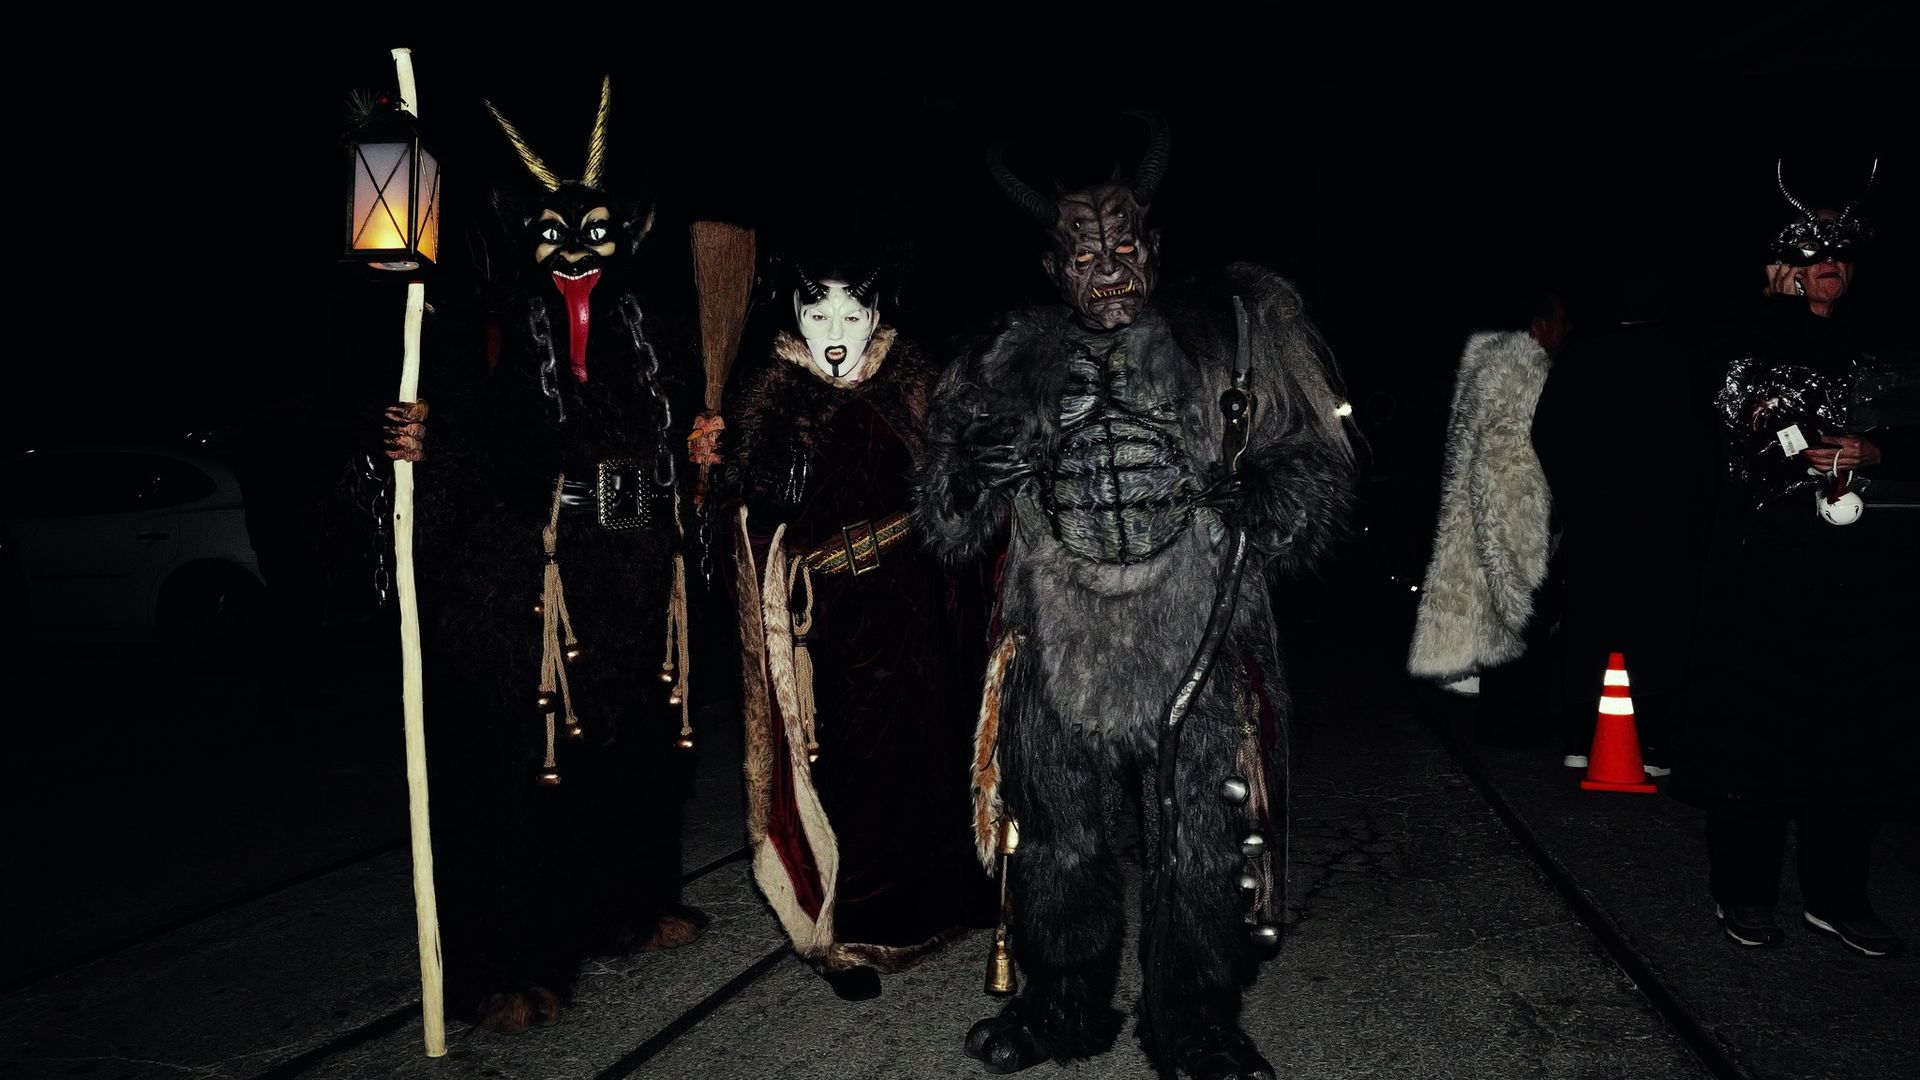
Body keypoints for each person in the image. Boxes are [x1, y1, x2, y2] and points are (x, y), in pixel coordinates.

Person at [916, 114, 1353, 1080]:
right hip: (1057, 641)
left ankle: (1194, 1020)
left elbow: (1310, 469)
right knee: (1056, 847)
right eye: (1085, 253)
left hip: (1193, 635)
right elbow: (946, 527)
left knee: (1200, 845)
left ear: (1153, 250)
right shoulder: (1003, 361)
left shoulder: (1227, 337)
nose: (1108, 268)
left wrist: (1269, 497)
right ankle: (1060, 1009)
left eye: (1125, 247)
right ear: (1052, 265)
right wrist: (974, 472)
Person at [399, 78, 705, 1032]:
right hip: (546, 579)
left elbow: (703, 418)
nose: (576, 247)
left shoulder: (664, 326)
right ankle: (520, 960)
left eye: (599, 228)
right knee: (531, 764)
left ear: (635, 229)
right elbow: (462, 441)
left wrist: (708, 439)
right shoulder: (488, 328)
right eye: (552, 229)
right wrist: (420, 438)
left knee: (642, 748)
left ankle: (625, 906)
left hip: (645, 568)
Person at [721, 260, 993, 1001]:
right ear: (793, 322)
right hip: (828, 618)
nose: (834, 336)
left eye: (851, 317)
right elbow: (747, 518)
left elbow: (957, 490)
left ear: (879, 318)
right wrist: (743, 473)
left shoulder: (914, 385)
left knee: (926, 754)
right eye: (818, 318)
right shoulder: (771, 399)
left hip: (912, 597)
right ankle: (850, 936)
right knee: (846, 766)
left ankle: (940, 906)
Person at [1683, 160, 1916, 957]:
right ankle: (1744, 892)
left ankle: (1838, 894)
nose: (1830, 264)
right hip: (1765, 574)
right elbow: (1722, 426)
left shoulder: (1890, 342)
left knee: (1854, 737)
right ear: (1782, 264)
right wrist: (1770, 317)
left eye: (1842, 252)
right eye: (1812, 252)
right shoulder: (1742, 336)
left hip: (1863, 581)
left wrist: (1877, 449)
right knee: (1759, 734)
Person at [1532, 268, 1716, 773]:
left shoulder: (1582, 358)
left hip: (1597, 516)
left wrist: (1572, 495)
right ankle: (1653, 742)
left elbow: (1547, 433)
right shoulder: (1688, 361)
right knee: (1659, 626)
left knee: (1590, 620)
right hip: (1666, 521)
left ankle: (1579, 736)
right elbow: (1709, 446)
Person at [1406, 288, 1564, 744]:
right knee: (1515, 607)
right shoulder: (1519, 369)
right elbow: (1507, 467)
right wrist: (1522, 535)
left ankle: (1506, 714)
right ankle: (1515, 722)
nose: (1565, 330)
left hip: (1481, 517)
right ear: (1537, 326)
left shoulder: (1486, 367)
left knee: (1496, 607)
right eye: (1559, 320)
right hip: (1513, 517)